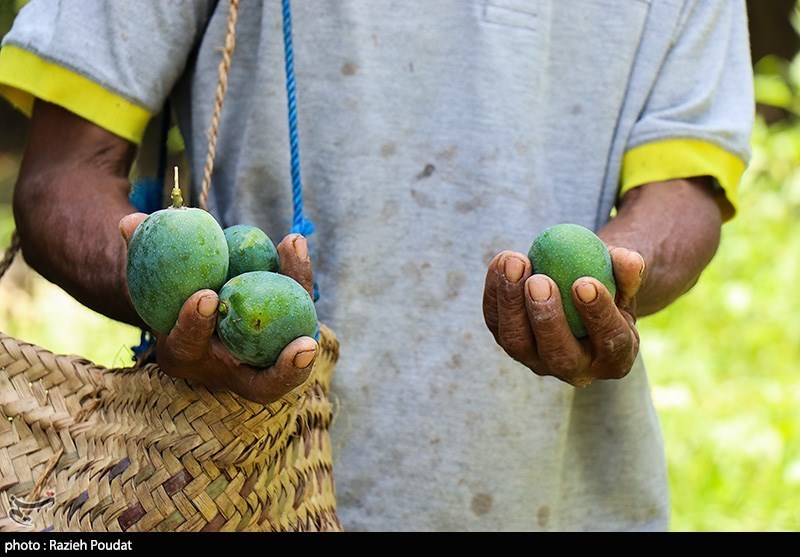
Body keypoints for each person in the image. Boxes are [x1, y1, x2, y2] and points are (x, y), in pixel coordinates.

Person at [0, 1, 753, 531]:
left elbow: (684, 188)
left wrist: (617, 275)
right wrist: (186, 299)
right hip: (239, 495)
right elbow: (60, 179)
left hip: (565, 503)